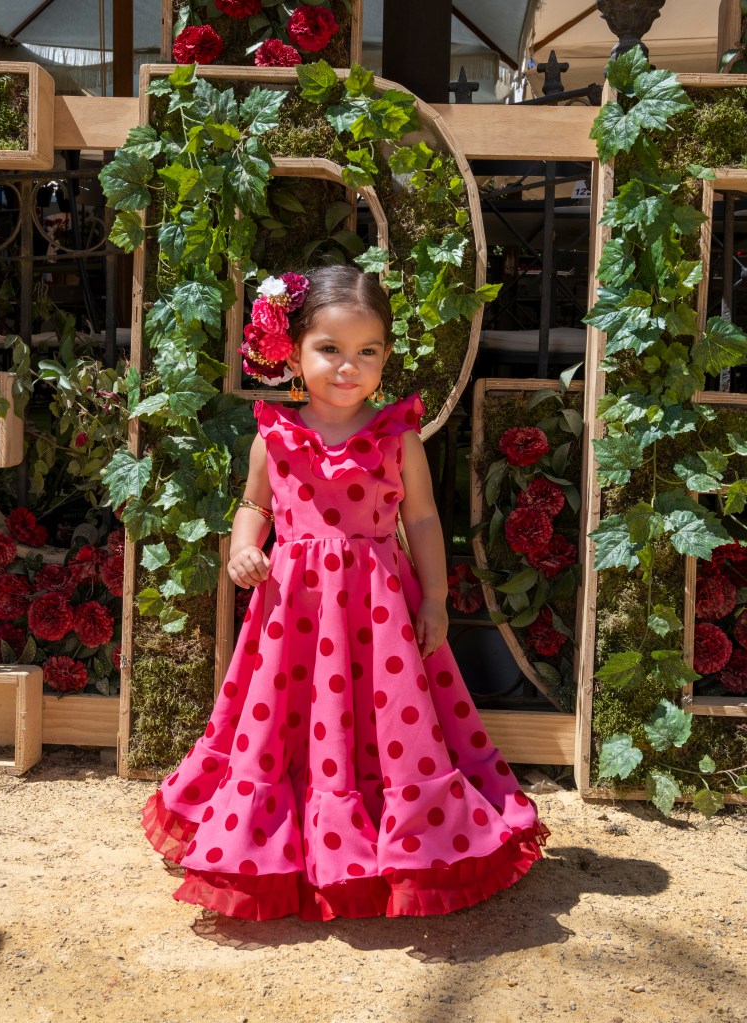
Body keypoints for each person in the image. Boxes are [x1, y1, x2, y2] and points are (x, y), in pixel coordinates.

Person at [141, 264, 549, 921]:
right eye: (329, 348)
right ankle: (282, 844)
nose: (348, 366)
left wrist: (434, 599)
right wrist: (245, 547)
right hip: (293, 617)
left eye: (368, 351)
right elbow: (255, 506)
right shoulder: (275, 437)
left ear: (385, 357)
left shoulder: (397, 436)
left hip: (379, 616)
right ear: (292, 354)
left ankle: (398, 839)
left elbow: (422, 519)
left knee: (390, 726)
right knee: (285, 725)